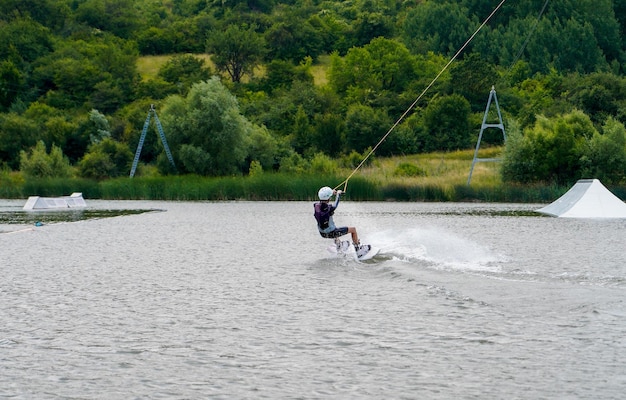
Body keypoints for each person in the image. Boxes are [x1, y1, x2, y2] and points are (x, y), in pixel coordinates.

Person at [314, 186, 371, 258]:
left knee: (333, 228)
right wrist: (338, 194)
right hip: (331, 233)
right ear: (329, 198)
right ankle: (358, 250)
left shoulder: (316, 206)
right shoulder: (329, 208)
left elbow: (324, 201)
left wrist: (331, 192)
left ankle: (339, 245)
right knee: (353, 230)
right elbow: (335, 205)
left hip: (322, 234)